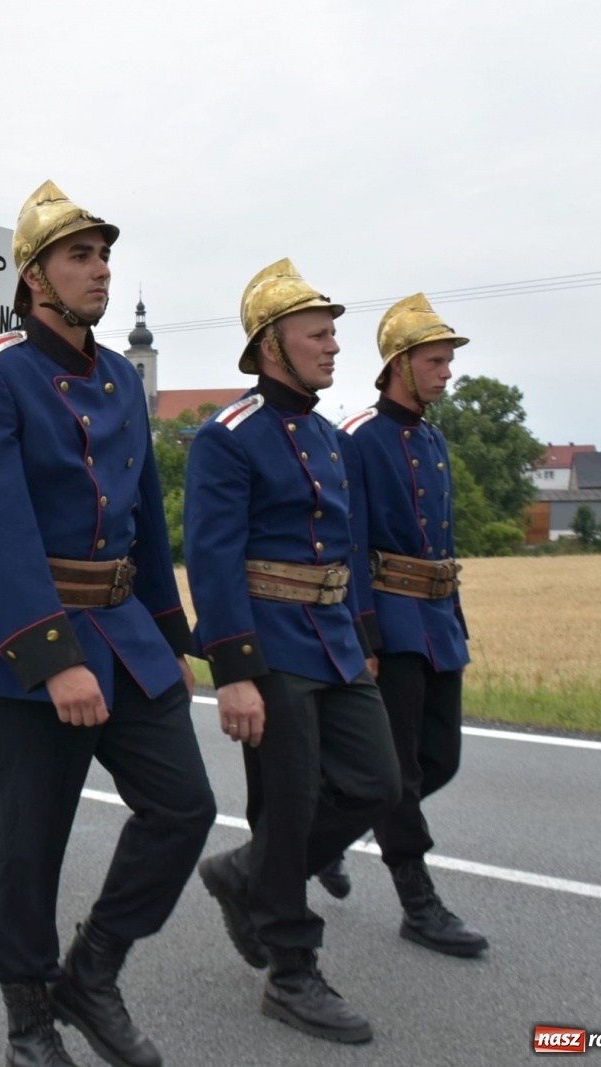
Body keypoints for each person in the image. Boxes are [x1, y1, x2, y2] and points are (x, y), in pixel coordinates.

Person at [0, 180, 215, 1067]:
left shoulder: (121, 378)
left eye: (104, 256)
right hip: (30, 638)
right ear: (34, 277)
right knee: (27, 845)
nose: (100, 270)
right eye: (79, 256)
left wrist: (169, 638)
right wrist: (51, 654)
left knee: (185, 805)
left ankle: (90, 972)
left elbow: (146, 521)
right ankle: (28, 1020)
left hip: (123, 629)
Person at [184, 258, 401, 1045]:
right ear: (272, 345)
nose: (334, 345)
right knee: (290, 802)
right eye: (318, 333)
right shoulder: (227, 437)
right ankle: (291, 969)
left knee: (378, 782)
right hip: (270, 644)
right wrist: (234, 671)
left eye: (334, 332)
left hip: (334, 639)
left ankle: (245, 872)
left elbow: (348, 543)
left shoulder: (328, 438)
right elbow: (211, 557)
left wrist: (364, 637)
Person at [326, 294, 488, 957]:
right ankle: (418, 902)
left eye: (448, 361)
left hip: (436, 620)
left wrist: (455, 617)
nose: (447, 372)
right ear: (399, 364)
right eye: (435, 361)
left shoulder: (432, 438)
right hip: (390, 622)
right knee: (397, 772)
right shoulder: (358, 436)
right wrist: (363, 632)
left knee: (438, 758)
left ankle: (325, 835)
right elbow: (350, 539)